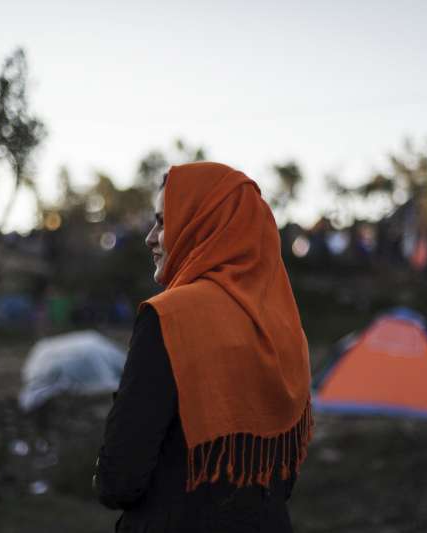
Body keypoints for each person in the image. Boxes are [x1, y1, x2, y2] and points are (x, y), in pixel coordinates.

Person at [94, 162, 313, 532]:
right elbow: (282, 475)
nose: (150, 237)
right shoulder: (284, 327)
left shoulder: (169, 317)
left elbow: (120, 479)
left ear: (201, 227)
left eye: (163, 222)